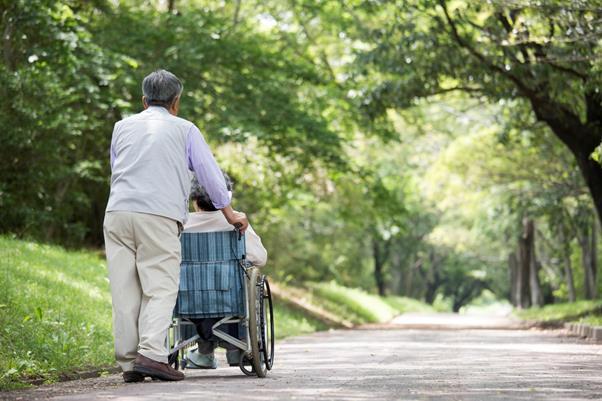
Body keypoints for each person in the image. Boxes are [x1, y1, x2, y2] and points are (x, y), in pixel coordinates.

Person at [103, 69, 249, 383]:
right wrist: (230, 214)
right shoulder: (185, 129)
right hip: (158, 214)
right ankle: (152, 356)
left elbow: (117, 168)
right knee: (160, 287)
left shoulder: (120, 127)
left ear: (144, 101)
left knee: (124, 289)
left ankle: (129, 364)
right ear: (176, 102)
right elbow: (209, 176)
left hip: (116, 212)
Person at [182, 173, 267, 369]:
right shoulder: (236, 222)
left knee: (197, 289)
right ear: (226, 197)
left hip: (189, 299)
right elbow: (260, 258)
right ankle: (234, 348)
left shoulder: (182, 223)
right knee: (236, 285)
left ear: (194, 199)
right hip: (230, 298)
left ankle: (204, 352)